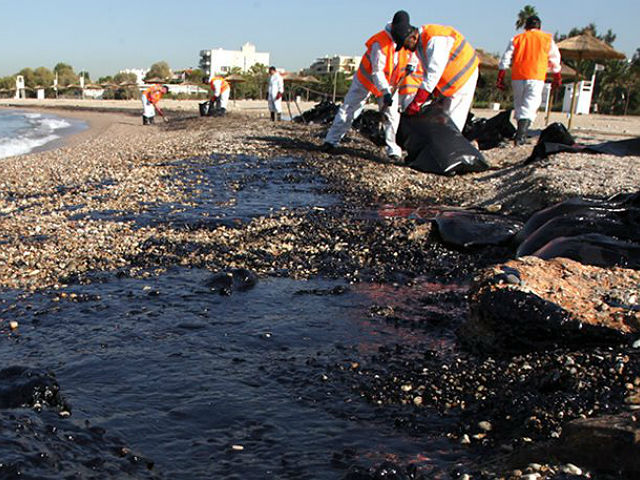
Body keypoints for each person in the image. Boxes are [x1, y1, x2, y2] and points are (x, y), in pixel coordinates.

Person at [322, 10, 417, 161]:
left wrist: (412, 64)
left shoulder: (407, 36)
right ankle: (331, 141)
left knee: (392, 115)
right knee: (349, 109)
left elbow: (413, 53)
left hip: (391, 83)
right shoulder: (379, 43)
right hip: (365, 80)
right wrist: (385, 92)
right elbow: (377, 72)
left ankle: (393, 150)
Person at [497, 15, 562, 145]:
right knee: (530, 105)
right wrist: (557, 77)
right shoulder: (547, 39)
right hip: (536, 77)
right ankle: (520, 136)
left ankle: (520, 133)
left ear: (526, 26)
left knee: (519, 105)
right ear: (539, 26)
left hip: (518, 76)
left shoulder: (517, 39)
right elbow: (555, 59)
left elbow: (505, 58)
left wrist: (501, 76)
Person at [404, 24, 479, 132]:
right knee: (441, 116)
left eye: (406, 44)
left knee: (454, 118)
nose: (406, 48)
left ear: (413, 38)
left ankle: (453, 145)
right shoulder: (420, 44)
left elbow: (433, 74)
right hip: (450, 82)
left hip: (463, 76)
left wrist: (417, 103)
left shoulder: (435, 39)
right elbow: (428, 72)